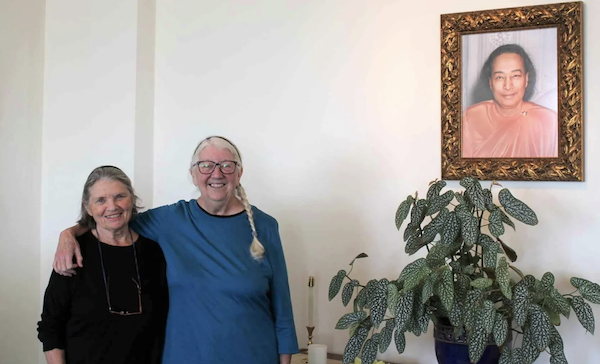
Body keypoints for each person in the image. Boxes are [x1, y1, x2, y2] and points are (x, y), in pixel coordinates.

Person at [53, 136, 299, 364]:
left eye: (226, 165)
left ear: (239, 172)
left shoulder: (265, 225)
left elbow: (282, 309)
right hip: (184, 356)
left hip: (254, 355)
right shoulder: (170, 220)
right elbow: (113, 218)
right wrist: (68, 234)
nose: (216, 173)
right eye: (206, 165)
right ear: (193, 174)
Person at [37, 166, 169, 364]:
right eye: (101, 200)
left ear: (131, 199)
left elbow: (161, 321)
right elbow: (50, 326)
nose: (112, 206)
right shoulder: (73, 253)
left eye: (119, 196)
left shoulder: (153, 252)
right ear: (88, 207)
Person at [462, 44, 558, 158]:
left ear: (526, 79)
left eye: (516, 76)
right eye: (499, 77)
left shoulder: (549, 121)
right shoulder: (472, 117)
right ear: (490, 82)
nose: (507, 86)